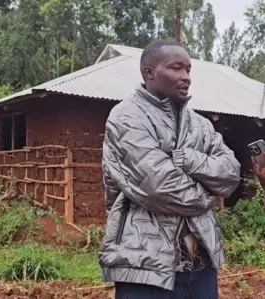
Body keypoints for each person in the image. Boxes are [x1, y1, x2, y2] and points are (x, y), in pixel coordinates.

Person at [100, 40, 241, 299]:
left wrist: (187, 159)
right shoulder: (127, 118)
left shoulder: (201, 125)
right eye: (176, 68)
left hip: (202, 266)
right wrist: (210, 195)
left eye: (188, 70)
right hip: (145, 265)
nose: (186, 77)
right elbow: (160, 187)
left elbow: (232, 175)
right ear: (149, 73)